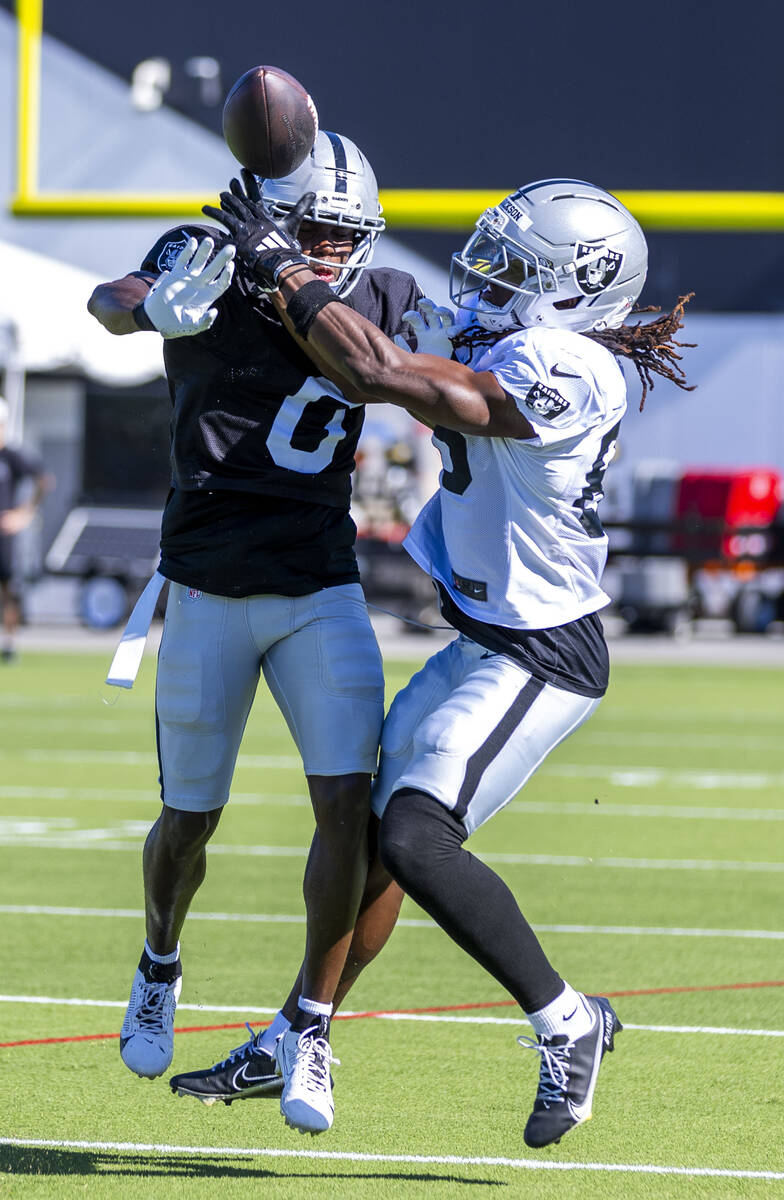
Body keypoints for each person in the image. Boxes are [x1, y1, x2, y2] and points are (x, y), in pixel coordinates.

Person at [207, 174, 694, 1147]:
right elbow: (365, 353)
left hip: (539, 653)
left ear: (574, 286)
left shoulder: (570, 365)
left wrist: (285, 269)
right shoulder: (497, 324)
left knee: (418, 839)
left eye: (516, 265)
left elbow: (396, 377)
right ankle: (297, 1029)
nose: (488, 273)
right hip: (481, 636)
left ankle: (568, 1021)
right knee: (376, 841)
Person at [87, 131, 420, 1135]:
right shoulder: (210, 253)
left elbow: (421, 361)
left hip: (316, 580)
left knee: (351, 813)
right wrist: (144, 307)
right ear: (272, 213)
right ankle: (159, 962)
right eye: (311, 228)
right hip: (203, 584)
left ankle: (310, 1026)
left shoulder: (384, 294)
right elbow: (109, 301)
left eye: (342, 233)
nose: (326, 249)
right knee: (188, 821)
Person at [0, 397, 53, 661]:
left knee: (9, 588)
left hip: (4, 536)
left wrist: (24, 513)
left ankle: (9, 644)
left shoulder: (11, 457)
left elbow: (43, 480)